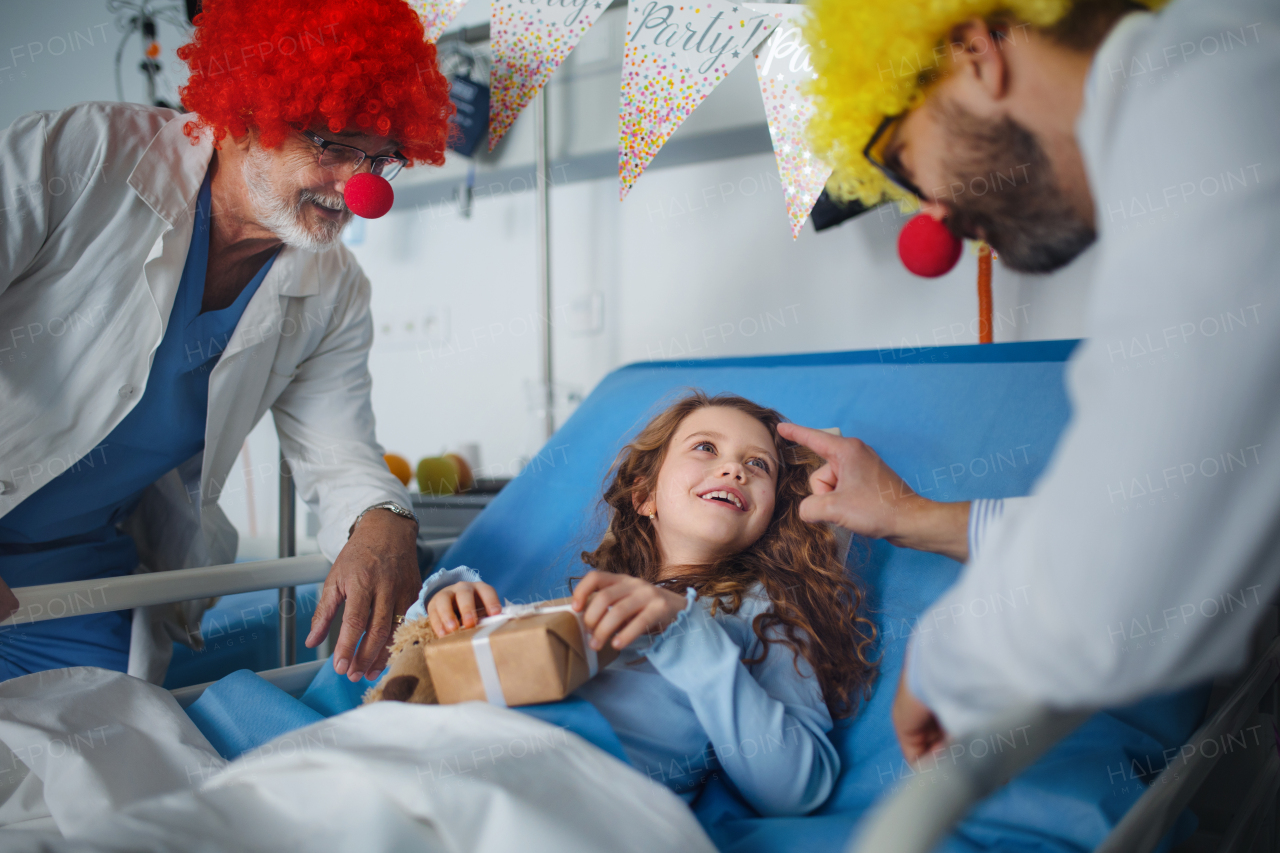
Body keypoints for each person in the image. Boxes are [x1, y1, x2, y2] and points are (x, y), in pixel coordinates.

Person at [780, 0, 1280, 759]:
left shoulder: (1199, 104)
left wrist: (945, 661)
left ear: (973, 49)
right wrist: (909, 513)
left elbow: (1117, 590)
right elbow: (1137, 504)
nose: (933, 217)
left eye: (900, 161)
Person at [0, 0, 454, 683]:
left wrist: (383, 516)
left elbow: (337, 456)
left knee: (91, 771)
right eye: (332, 146)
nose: (359, 190)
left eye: (380, 159)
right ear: (245, 114)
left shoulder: (334, 288)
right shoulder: (81, 157)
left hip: (76, 581)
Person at [416, 392, 879, 815]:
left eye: (759, 465)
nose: (736, 470)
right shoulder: (595, 599)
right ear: (644, 496)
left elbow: (797, 789)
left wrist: (686, 632)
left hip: (570, 795)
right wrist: (450, 606)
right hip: (458, 753)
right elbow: (431, 671)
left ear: (771, 515)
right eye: (705, 448)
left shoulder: (765, 617)